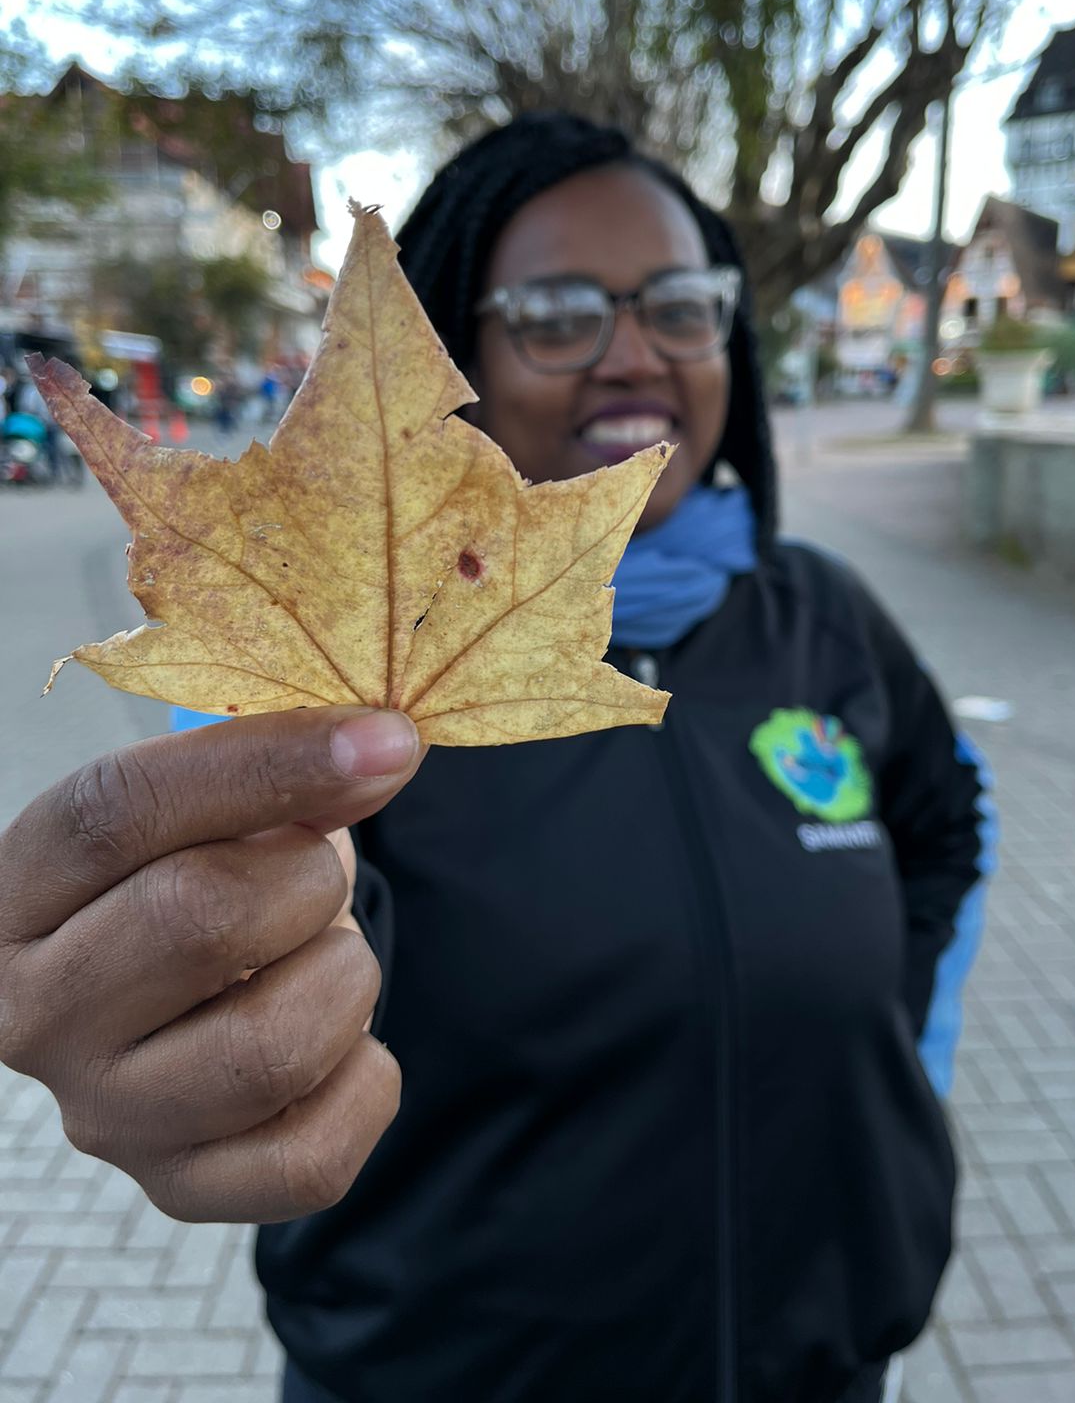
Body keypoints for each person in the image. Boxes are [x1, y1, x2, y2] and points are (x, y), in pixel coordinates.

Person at [0, 113, 994, 1403]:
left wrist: (899, 1059)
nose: (634, 355)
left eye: (679, 307)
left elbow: (946, 820)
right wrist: (181, 1019)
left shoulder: (825, 613)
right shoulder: (339, 714)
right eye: (558, 313)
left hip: (826, 1358)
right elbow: (259, 935)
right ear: (455, 352)